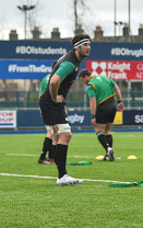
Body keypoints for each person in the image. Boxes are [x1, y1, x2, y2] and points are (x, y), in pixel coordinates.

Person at [39, 33, 91, 185]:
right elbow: (54, 81)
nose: (88, 48)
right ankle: (62, 176)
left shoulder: (72, 59)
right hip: (51, 103)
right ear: (77, 47)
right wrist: (55, 98)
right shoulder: (70, 63)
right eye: (85, 45)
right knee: (66, 135)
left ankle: (61, 175)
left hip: (52, 103)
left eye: (89, 45)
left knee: (56, 136)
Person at [78, 69, 124, 161]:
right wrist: (119, 101)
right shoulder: (104, 77)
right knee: (107, 131)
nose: (83, 82)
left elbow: (93, 101)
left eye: (82, 80)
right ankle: (109, 156)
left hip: (102, 107)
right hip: (113, 105)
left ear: (86, 77)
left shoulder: (90, 85)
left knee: (99, 130)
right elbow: (116, 88)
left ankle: (108, 149)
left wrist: (93, 115)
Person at [37, 60, 58, 165]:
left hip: (47, 107)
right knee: (52, 133)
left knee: (53, 132)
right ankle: (44, 157)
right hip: (51, 107)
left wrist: (41, 109)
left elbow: (41, 94)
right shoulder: (54, 79)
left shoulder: (46, 78)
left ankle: (51, 158)